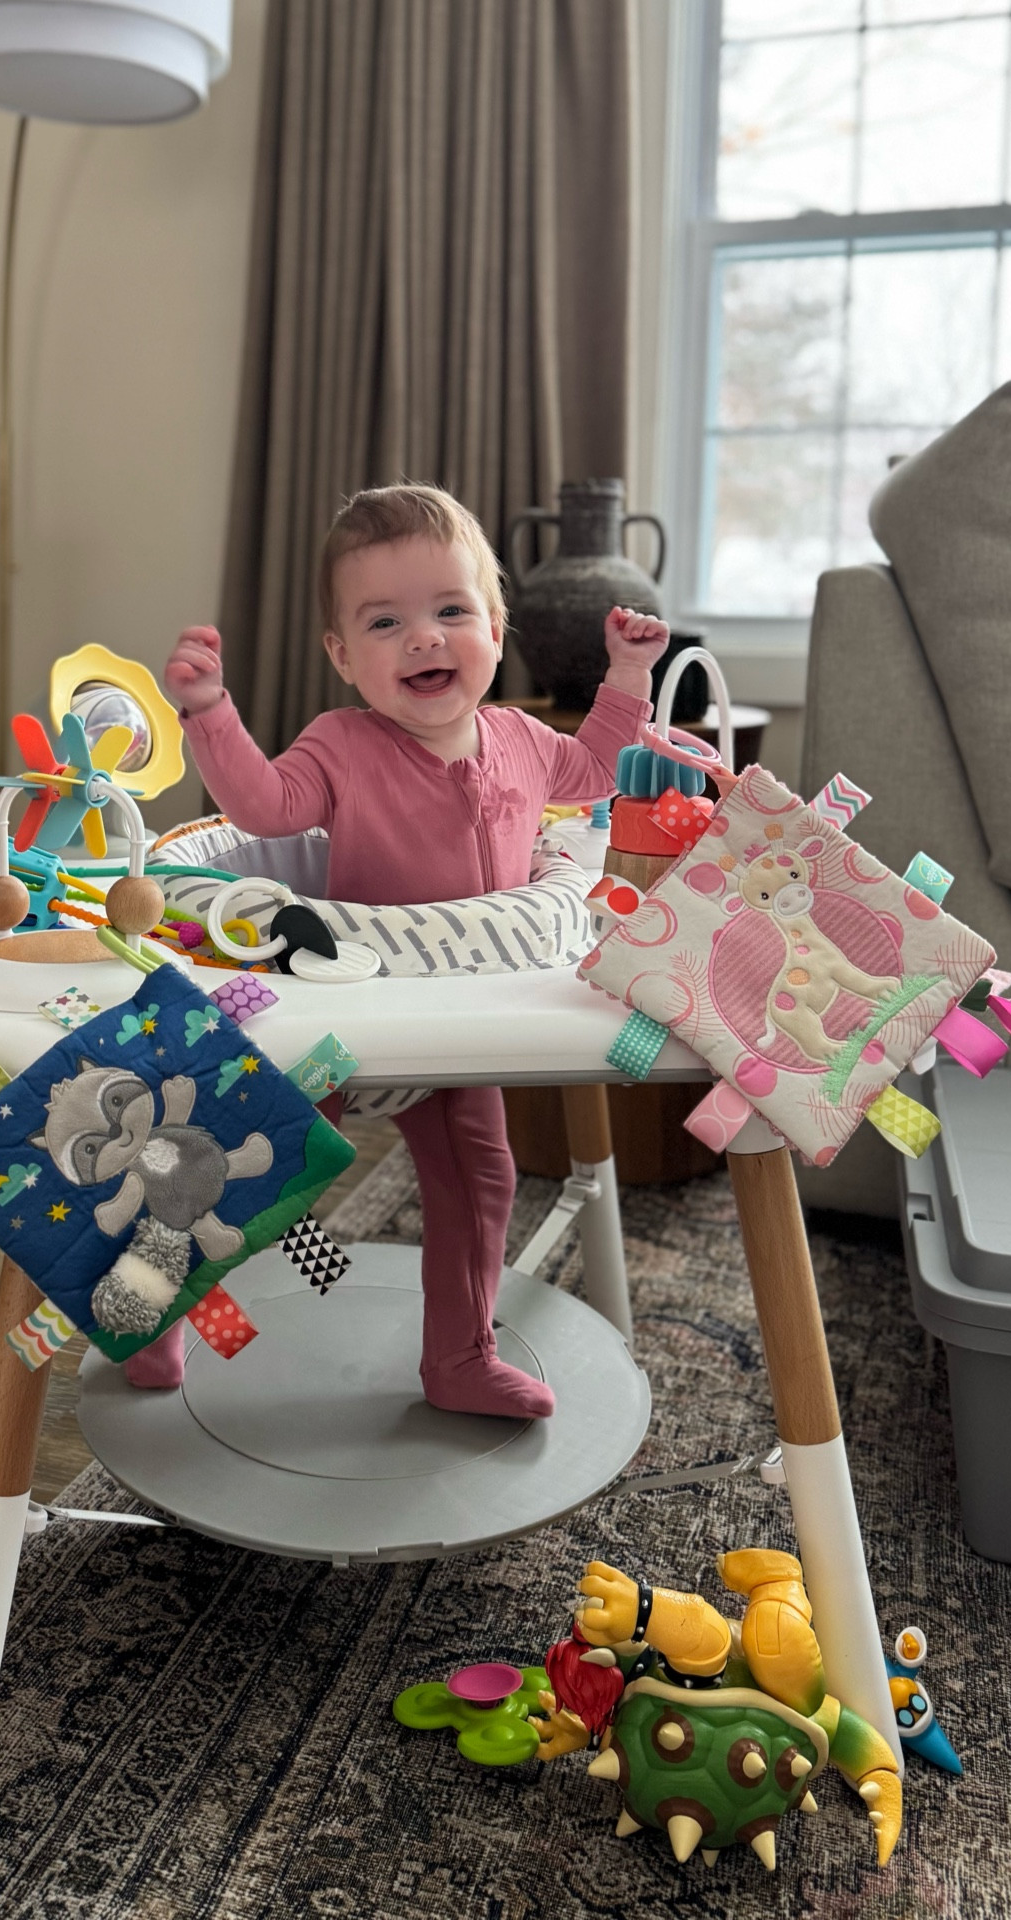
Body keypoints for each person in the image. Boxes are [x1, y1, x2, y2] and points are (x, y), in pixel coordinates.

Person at [140, 483, 667, 1419]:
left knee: (483, 1177)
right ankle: (155, 1315)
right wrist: (210, 712)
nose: (424, 638)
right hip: (340, 1005)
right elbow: (261, 810)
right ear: (343, 657)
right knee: (246, 1164)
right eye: (386, 622)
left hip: (463, 1015)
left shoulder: (521, 740)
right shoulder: (340, 746)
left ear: (496, 629)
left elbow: (596, 768)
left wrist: (627, 675)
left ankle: (460, 1358)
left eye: (452, 612)